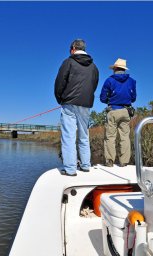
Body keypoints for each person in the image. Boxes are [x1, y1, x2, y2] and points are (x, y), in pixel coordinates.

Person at [54, 39, 99, 176]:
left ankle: (70, 169)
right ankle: (85, 165)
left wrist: (60, 99)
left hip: (69, 103)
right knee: (84, 135)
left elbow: (59, 83)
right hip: (85, 104)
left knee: (68, 136)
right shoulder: (94, 67)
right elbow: (94, 85)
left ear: (73, 48)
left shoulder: (68, 62)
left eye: (70, 49)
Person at [100, 58, 136, 167]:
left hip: (113, 111)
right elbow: (133, 98)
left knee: (110, 137)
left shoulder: (109, 80)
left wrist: (109, 101)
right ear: (124, 69)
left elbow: (102, 98)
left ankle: (110, 161)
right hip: (126, 111)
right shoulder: (132, 81)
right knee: (125, 137)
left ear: (115, 68)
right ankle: (124, 162)